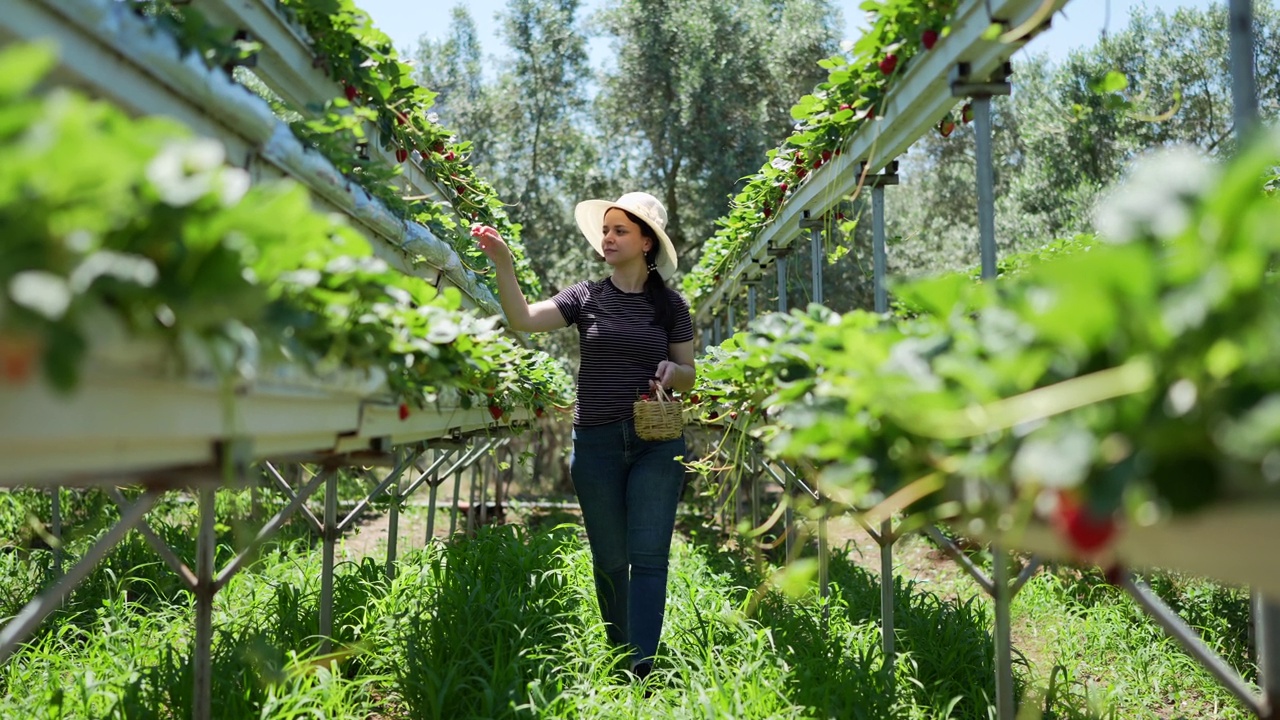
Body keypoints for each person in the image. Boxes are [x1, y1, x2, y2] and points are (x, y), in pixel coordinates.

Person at [472, 191, 696, 681]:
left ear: (646, 243)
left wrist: (672, 373)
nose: (608, 237)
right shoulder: (585, 296)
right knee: (611, 558)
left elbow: (688, 372)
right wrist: (504, 264)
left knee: (649, 555)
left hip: (656, 444)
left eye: (620, 230)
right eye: (606, 229)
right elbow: (524, 321)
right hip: (595, 442)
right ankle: (620, 656)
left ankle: (643, 665)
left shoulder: (672, 307)